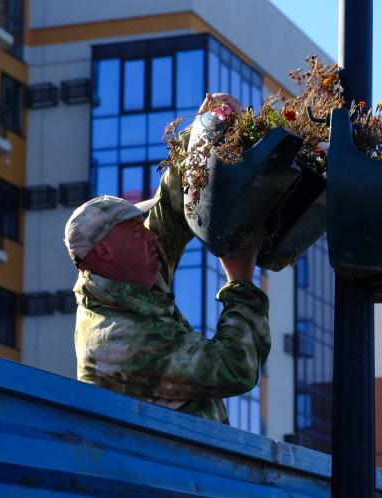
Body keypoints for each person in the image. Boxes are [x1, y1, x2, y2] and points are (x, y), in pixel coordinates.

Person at [63, 94, 269, 424]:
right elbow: (233, 367)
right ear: (104, 251)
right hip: (176, 460)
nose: (149, 236)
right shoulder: (114, 338)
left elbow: (172, 207)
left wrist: (205, 131)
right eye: (136, 230)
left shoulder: (130, 286)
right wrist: (240, 282)